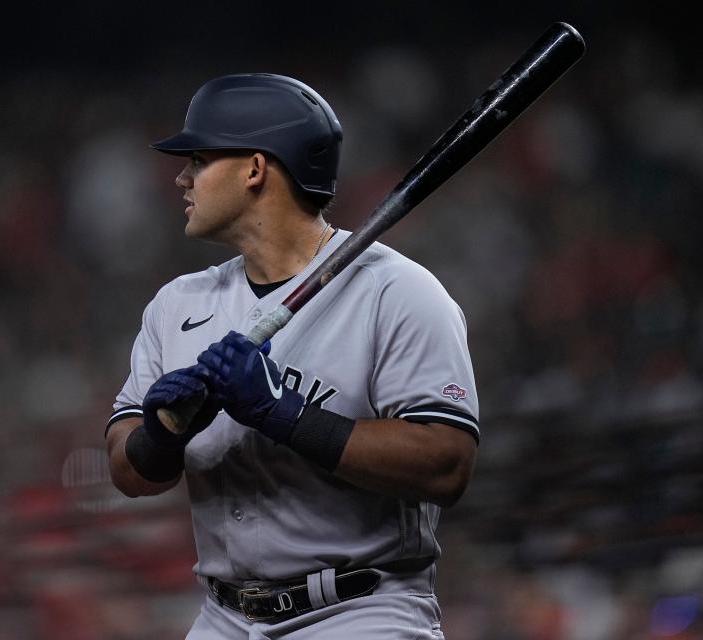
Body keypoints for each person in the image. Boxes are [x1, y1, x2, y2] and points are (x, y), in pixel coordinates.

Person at [105, 73, 479, 639]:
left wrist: (284, 413)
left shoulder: (397, 292)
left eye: (199, 160)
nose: (181, 177)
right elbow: (127, 472)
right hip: (222, 618)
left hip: (362, 611)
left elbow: (448, 464)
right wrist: (161, 435)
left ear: (255, 169)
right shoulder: (176, 305)